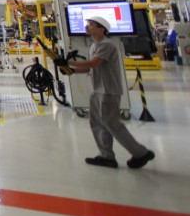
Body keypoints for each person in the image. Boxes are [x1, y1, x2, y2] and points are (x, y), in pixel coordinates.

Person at [61, 16, 155, 169]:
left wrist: (69, 62)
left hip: (108, 90)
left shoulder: (107, 45)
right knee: (97, 123)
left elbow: (94, 63)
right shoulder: (94, 46)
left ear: (102, 29)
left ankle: (141, 153)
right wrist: (71, 71)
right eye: (87, 24)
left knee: (112, 124)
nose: (87, 27)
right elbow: (90, 68)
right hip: (97, 90)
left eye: (91, 25)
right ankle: (106, 156)